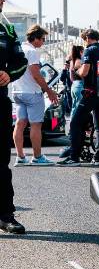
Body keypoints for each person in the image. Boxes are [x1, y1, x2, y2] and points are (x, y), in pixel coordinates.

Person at [58, 29, 99, 165]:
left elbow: (85, 71)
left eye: (84, 39)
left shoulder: (89, 50)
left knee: (75, 122)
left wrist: (77, 71)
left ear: (88, 38)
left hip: (91, 92)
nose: (84, 42)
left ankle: (74, 157)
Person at [0, 0, 29, 234]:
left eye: (0, 0)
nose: (0, 4)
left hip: (0, 102)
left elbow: (21, 62)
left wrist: (9, 74)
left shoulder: (8, 31)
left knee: (1, 162)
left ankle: (6, 215)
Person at [11, 25, 57, 166]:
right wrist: (49, 91)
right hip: (32, 92)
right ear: (35, 38)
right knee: (36, 125)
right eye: (42, 39)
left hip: (17, 91)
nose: (43, 42)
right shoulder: (32, 52)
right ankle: (37, 157)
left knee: (20, 124)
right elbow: (36, 74)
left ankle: (20, 157)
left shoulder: (17, 49)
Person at [68, 44, 85, 120]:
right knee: (80, 108)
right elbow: (82, 74)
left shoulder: (72, 61)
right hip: (80, 85)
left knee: (74, 107)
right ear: (81, 52)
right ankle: (77, 126)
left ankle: (72, 125)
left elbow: (71, 77)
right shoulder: (79, 61)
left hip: (74, 85)